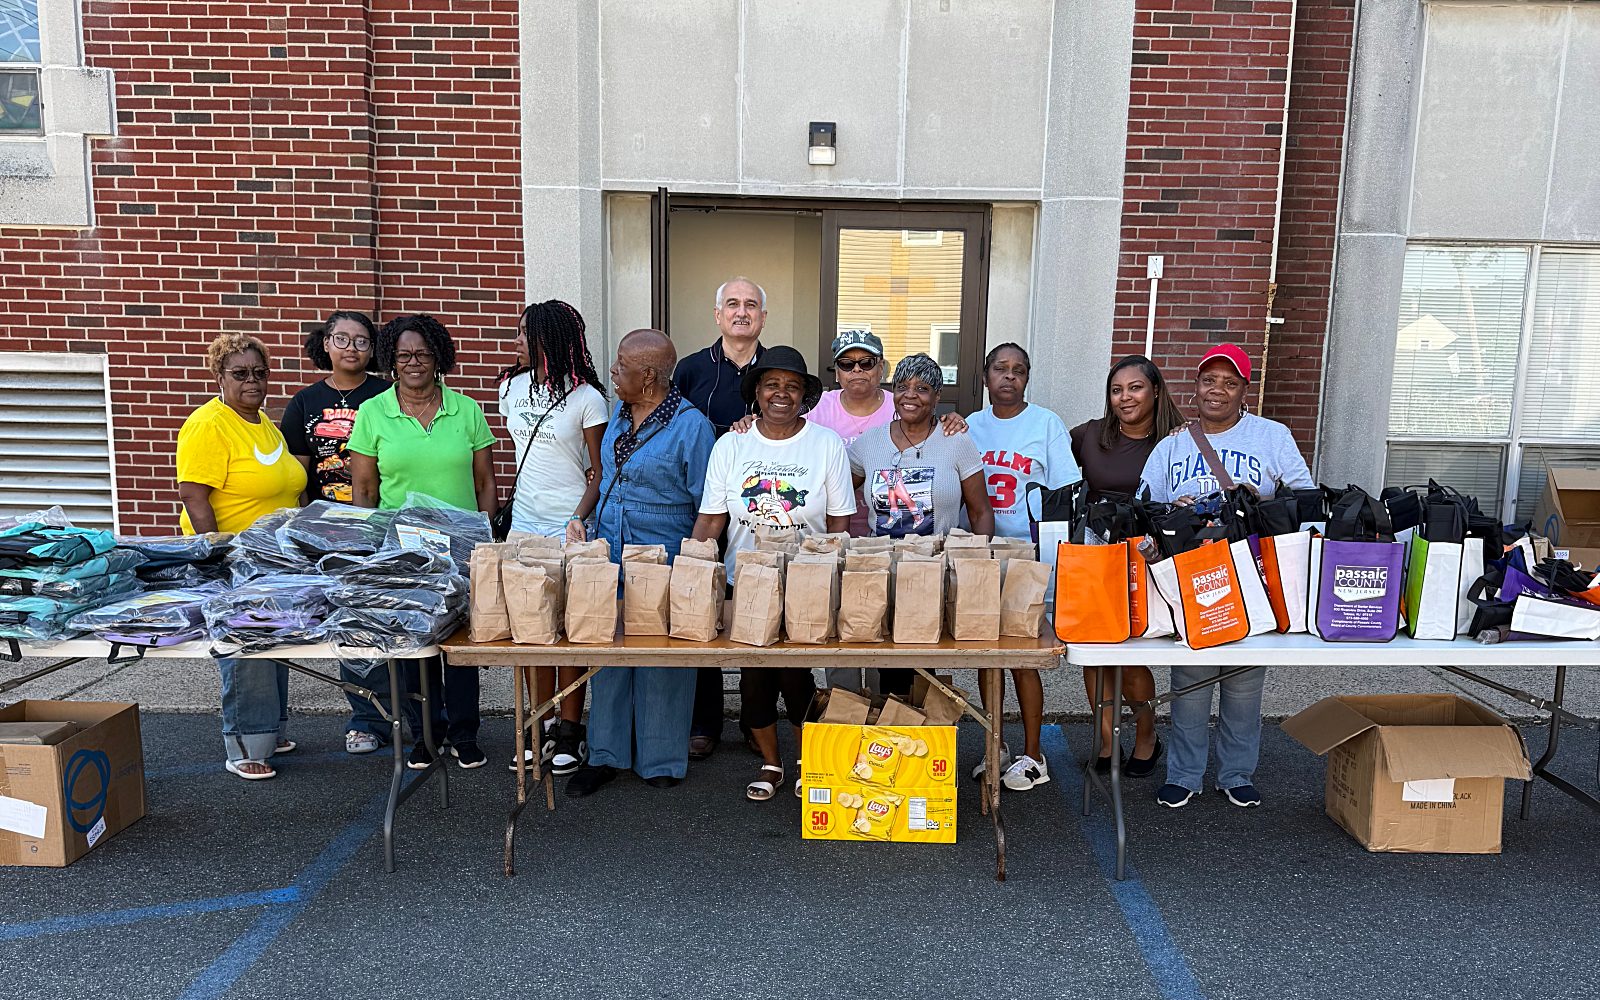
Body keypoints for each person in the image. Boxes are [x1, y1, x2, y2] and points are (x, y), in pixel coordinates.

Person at [1137, 343, 1314, 811]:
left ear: (1244, 391)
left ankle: (1236, 773)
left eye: (1229, 382)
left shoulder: (1271, 436)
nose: (1217, 390)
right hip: (1191, 572)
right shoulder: (1172, 443)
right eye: (1208, 381)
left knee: (1243, 681)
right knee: (1190, 682)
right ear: (1195, 388)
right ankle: (1184, 774)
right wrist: (1169, 512)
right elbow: (1145, 504)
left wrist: (1259, 501)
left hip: (1251, 569)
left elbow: (1305, 499)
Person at [741, 329, 965, 694]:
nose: (856, 370)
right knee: (841, 641)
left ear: (881, 368)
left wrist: (949, 420)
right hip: (836, 543)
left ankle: (883, 717)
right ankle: (843, 721)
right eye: (847, 363)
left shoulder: (905, 401)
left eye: (867, 362)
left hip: (891, 549)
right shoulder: (818, 408)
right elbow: (781, 430)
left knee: (886, 647)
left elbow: (928, 419)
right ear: (836, 370)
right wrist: (750, 423)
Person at [691, 347, 855, 801]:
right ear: (756, 393)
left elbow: (840, 522)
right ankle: (771, 762)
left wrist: (832, 573)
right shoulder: (732, 444)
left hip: (808, 579)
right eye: (771, 385)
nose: (781, 393)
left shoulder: (826, 445)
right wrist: (695, 565)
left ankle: (806, 760)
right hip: (745, 578)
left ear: (804, 395)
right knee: (756, 674)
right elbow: (711, 518)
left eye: (792, 386)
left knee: (795, 671)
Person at [565, 329, 715, 797]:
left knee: (662, 656)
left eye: (620, 366)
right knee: (608, 652)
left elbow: (706, 503)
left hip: (664, 552)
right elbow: (607, 475)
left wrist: (691, 566)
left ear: (648, 376)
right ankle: (606, 754)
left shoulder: (692, 427)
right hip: (610, 547)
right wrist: (581, 518)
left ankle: (661, 756)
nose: (612, 372)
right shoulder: (618, 414)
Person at [348, 314, 497, 770]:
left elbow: (486, 482)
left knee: (461, 643)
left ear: (438, 358)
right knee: (414, 645)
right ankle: (424, 734)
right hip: (402, 548)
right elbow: (366, 490)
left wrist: (486, 538)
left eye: (423, 354)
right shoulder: (374, 412)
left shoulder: (466, 410)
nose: (414, 363)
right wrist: (367, 547)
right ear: (390, 361)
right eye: (403, 355)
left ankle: (465, 733)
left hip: (462, 547)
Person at [176, 333, 308, 781]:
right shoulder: (209, 423)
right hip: (235, 558)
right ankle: (246, 742)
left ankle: (270, 730)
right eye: (240, 373)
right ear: (219, 376)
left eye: (259, 372)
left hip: (273, 557)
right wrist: (218, 553)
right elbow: (194, 496)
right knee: (245, 645)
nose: (252, 381)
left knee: (272, 638)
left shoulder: (263, 423)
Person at [496, 299, 609, 775]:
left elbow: (598, 472)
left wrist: (578, 517)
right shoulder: (510, 386)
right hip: (523, 524)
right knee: (530, 632)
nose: (516, 341)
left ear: (548, 340)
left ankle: (569, 730)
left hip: (569, 527)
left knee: (569, 630)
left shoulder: (588, 397)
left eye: (525, 334)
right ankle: (534, 725)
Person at [280, 310, 395, 757]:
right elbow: (297, 474)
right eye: (342, 339)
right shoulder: (304, 402)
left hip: (384, 525)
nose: (351, 348)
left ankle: (406, 712)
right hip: (330, 531)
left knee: (393, 617)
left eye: (362, 341)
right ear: (325, 344)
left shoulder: (387, 395)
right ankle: (367, 719)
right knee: (353, 625)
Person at [965, 343, 1079, 792]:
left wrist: (1057, 558)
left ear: (1027, 377)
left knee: (1023, 661)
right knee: (983, 658)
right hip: (980, 559)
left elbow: (1066, 493)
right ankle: (995, 745)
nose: (1008, 377)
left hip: (1029, 560)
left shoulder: (1046, 424)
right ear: (986, 376)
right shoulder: (970, 426)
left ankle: (1034, 753)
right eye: (1000, 369)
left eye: (1018, 370)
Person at [848, 353, 994, 698]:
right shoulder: (869, 443)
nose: (910, 395)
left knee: (924, 661)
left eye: (922, 388)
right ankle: (892, 736)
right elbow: (837, 493)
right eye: (902, 387)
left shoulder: (955, 440)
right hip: (880, 574)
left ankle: (918, 739)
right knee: (886, 664)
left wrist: (978, 567)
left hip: (936, 574)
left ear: (937, 397)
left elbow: (980, 511)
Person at [1069, 354, 1185, 780]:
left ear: (1155, 390)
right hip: (1096, 557)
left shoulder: (1176, 440)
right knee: (1095, 654)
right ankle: (1103, 739)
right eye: (1117, 390)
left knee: (1133, 653)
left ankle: (1146, 735)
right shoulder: (1087, 436)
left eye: (1135, 387)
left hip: (1147, 556)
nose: (1125, 397)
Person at [673, 276, 768, 760]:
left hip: (762, 511)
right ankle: (704, 721)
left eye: (751, 305)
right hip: (702, 507)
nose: (741, 312)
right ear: (717, 315)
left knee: (758, 613)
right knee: (705, 612)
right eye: (732, 304)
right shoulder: (690, 371)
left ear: (762, 318)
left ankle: (757, 722)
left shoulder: (777, 372)